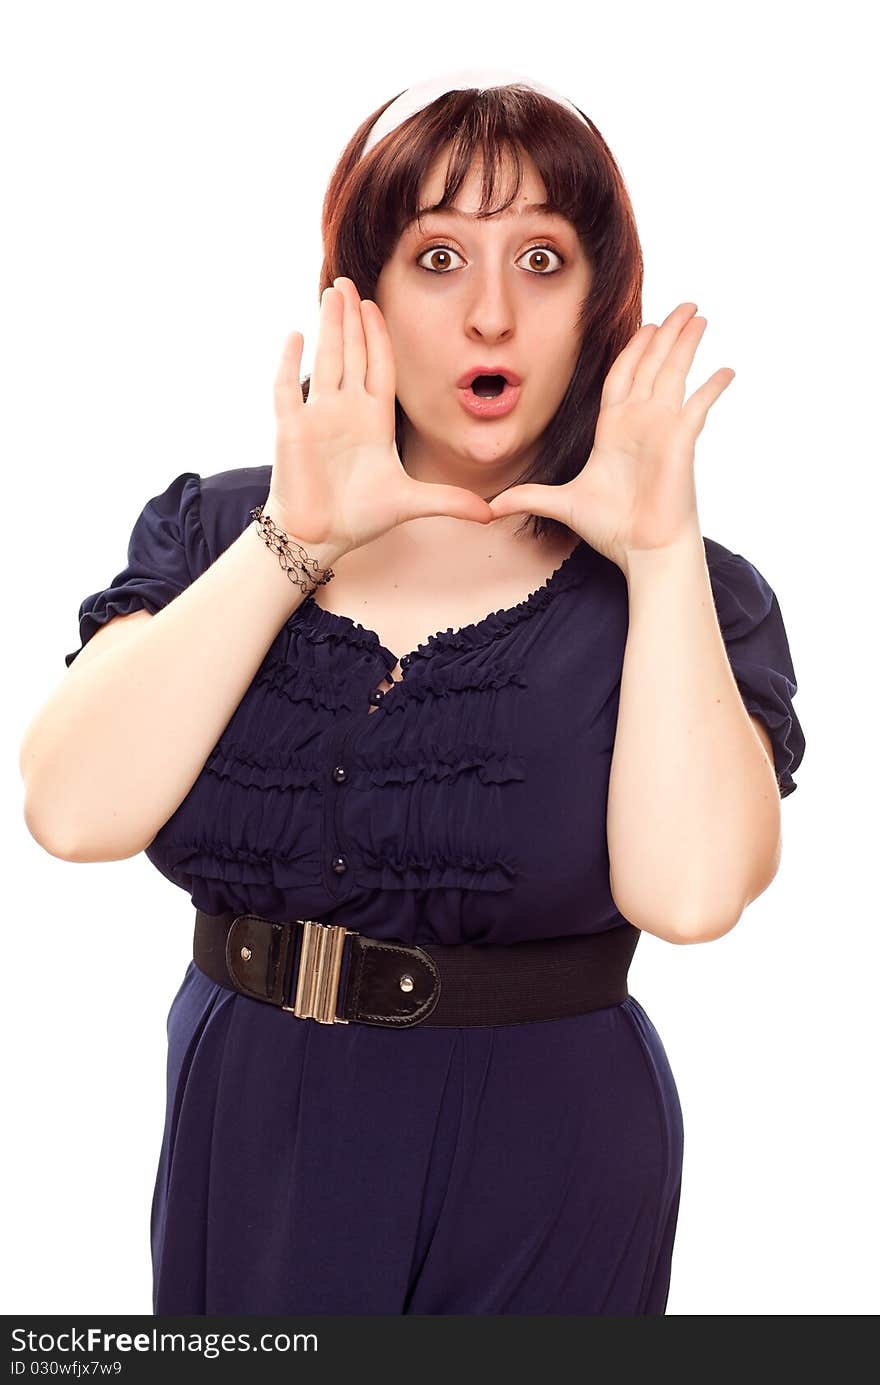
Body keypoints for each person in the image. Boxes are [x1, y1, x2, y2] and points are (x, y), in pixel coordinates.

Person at [20, 68, 805, 1315]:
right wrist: (298, 535)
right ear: (364, 300)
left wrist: (657, 555)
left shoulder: (691, 592)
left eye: (541, 260)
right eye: (438, 258)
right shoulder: (223, 524)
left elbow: (693, 893)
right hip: (247, 1123)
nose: (490, 313)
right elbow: (70, 810)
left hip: (545, 1154)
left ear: (598, 304)